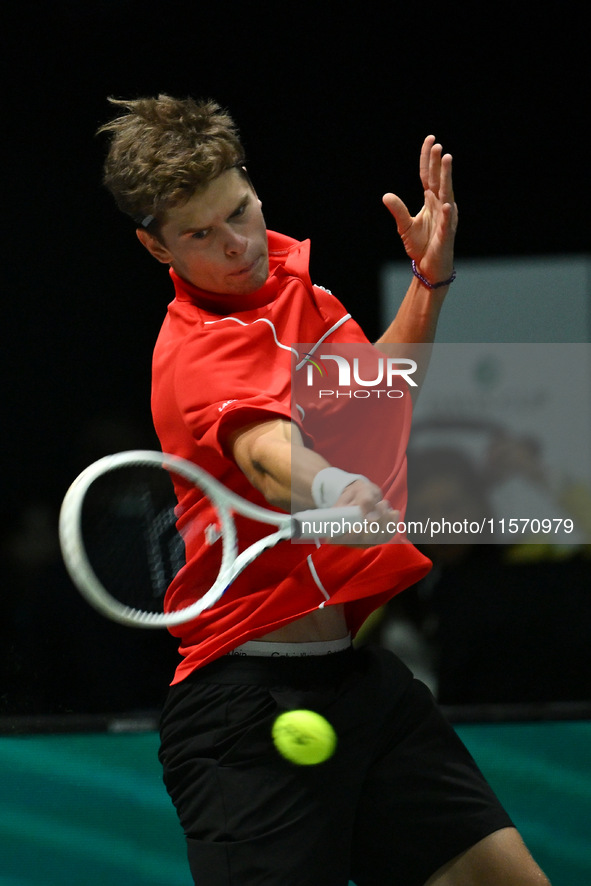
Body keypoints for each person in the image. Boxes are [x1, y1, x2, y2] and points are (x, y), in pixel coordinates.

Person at [97, 95, 550, 886]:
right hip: (241, 711)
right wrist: (334, 483)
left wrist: (429, 283)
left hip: (355, 679)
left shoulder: (298, 293)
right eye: (199, 235)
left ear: (253, 187)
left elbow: (380, 396)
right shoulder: (196, 354)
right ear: (153, 247)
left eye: (238, 211)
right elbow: (269, 451)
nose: (234, 246)